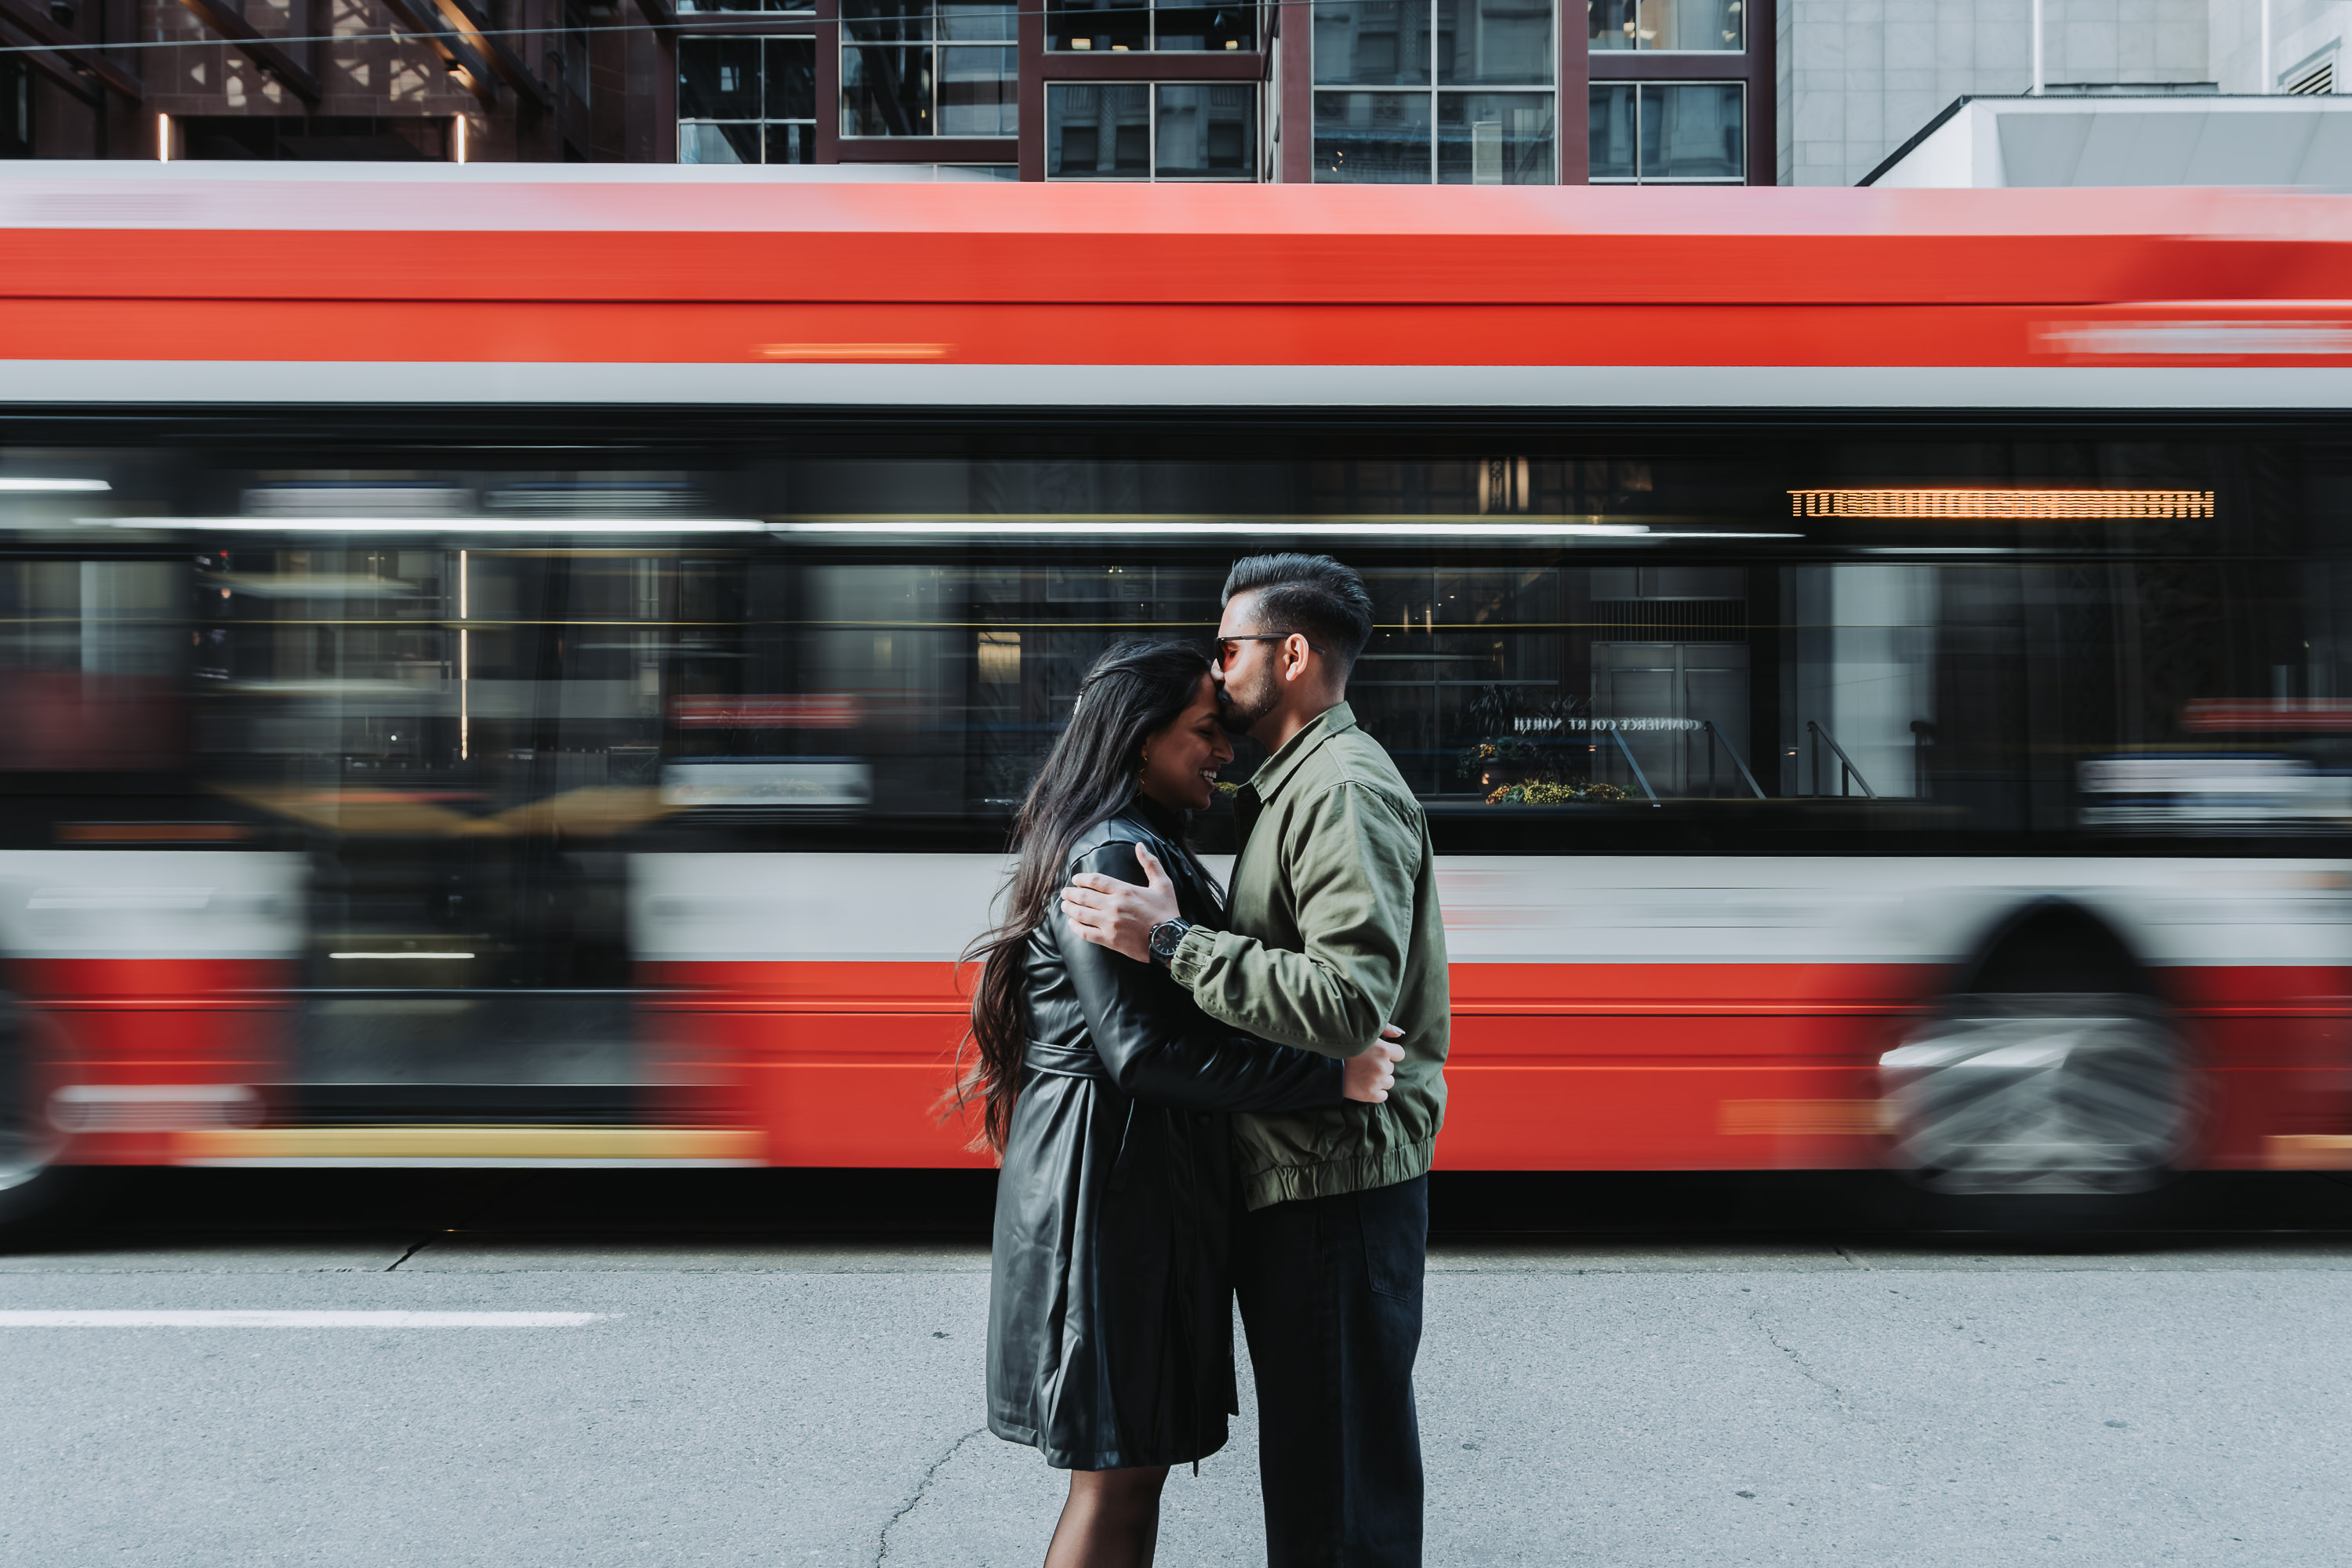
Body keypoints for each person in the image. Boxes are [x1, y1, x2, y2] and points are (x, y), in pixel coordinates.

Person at [964, 638, 1406, 1568]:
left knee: (1132, 1466)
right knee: (1117, 1475)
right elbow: (1143, 1051)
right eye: (1206, 731)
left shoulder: (1138, 837)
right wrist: (1335, 1074)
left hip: (1120, 1181)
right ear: (1138, 741)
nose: (1224, 749)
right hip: (1109, 1196)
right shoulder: (1115, 849)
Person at [1059, 554, 1450, 1568]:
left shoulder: (1343, 792)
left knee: (1341, 1505)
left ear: (1292, 655)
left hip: (1338, 1190)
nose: (1216, 670)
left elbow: (1349, 1003)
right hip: (1306, 1181)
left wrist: (1173, 942)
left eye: (1229, 649)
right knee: (1323, 1490)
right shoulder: (1286, 790)